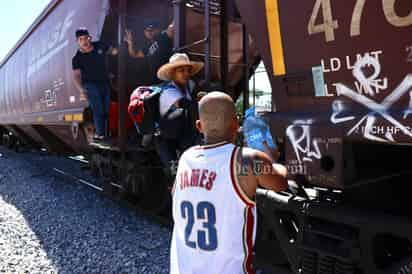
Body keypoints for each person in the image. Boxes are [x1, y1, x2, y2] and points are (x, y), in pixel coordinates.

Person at [170, 91, 288, 274]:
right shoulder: (248, 161)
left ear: (199, 126)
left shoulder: (186, 158)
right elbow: (281, 182)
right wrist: (272, 159)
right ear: (237, 123)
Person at [155, 53, 204, 179]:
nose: (186, 73)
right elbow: (188, 106)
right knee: (185, 113)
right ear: (172, 74)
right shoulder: (168, 92)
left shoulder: (187, 88)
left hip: (181, 135)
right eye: (181, 70)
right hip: (167, 139)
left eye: (187, 70)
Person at [72, 28, 118, 140]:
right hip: (90, 85)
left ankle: (107, 133)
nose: (84, 41)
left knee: (107, 109)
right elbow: (76, 76)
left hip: (105, 82)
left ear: (90, 38)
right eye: (81, 39)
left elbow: (114, 52)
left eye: (86, 38)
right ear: (77, 41)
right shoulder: (77, 58)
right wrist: (81, 90)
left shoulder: (100, 45)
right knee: (98, 109)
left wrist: (120, 47)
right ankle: (100, 134)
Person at [124, 19, 174, 84]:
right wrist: (130, 43)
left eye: (151, 30)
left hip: (167, 78)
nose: (149, 32)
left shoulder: (163, 36)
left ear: (157, 30)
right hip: (156, 80)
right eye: (146, 30)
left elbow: (172, 27)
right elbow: (134, 55)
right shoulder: (147, 47)